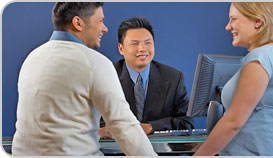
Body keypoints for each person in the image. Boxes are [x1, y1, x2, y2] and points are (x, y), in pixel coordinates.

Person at [12, 2, 157, 156]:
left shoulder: (32, 58)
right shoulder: (94, 62)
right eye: (100, 21)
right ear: (78, 23)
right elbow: (124, 127)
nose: (105, 28)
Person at [194, 2, 273, 156]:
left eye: (233, 19)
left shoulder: (260, 57)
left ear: (258, 21)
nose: (228, 27)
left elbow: (233, 122)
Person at [98, 17, 194, 138]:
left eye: (148, 43)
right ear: (121, 48)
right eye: (135, 43)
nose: (142, 49)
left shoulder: (174, 78)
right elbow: (95, 122)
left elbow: (186, 123)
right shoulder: (105, 75)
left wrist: (150, 127)